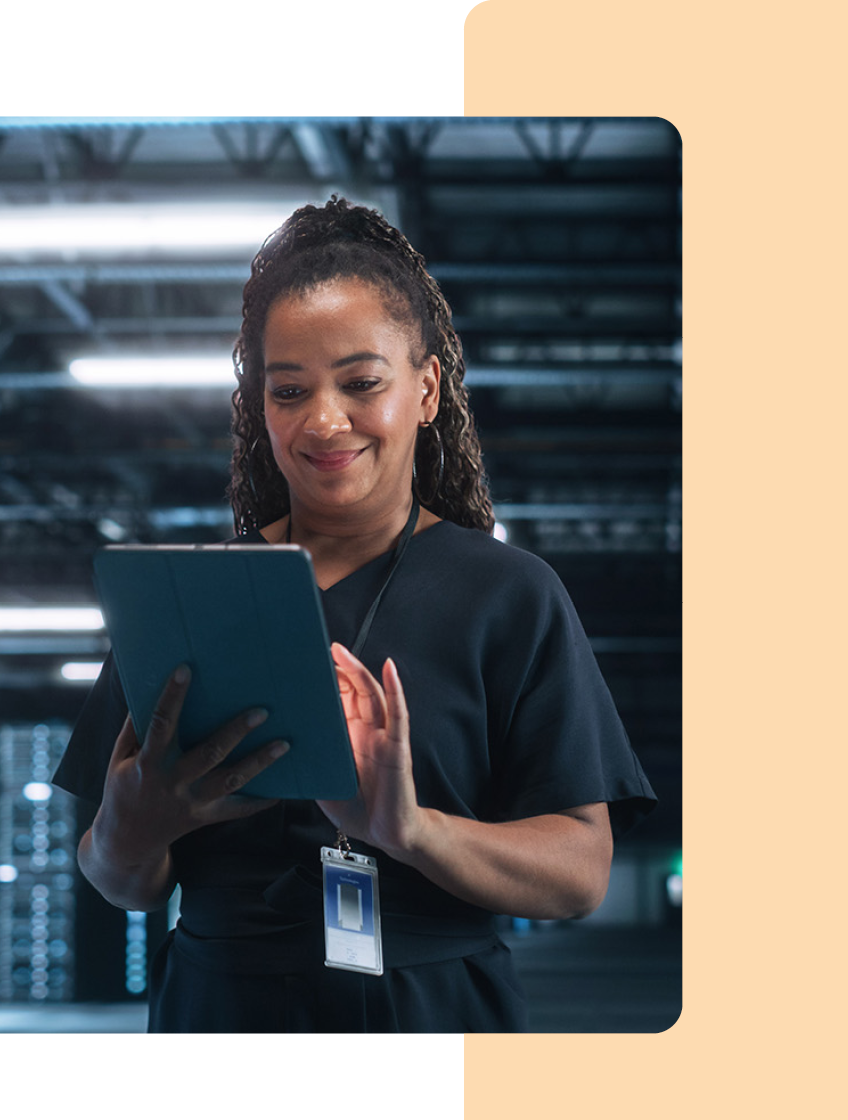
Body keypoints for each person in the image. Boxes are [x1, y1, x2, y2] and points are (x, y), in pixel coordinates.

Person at [52, 196, 657, 1034]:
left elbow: (580, 873)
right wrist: (128, 836)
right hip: (220, 1004)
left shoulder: (508, 594)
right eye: (289, 389)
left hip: (432, 1009)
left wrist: (413, 831)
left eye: (362, 383)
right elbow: (119, 878)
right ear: (260, 408)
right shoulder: (189, 593)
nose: (323, 421)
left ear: (427, 389)